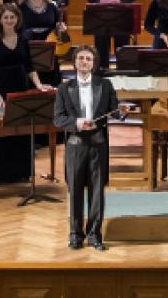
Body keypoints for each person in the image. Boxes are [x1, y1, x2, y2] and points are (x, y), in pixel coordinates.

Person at [54, 44, 118, 251]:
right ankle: (75, 235)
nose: (84, 62)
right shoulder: (64, 88)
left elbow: (114, 111)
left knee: (97, 192)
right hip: (75, 144)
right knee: (75, 191)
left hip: (98, 143)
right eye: (81, 58)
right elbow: (58, 118)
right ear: (74, 62)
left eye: (88, 59)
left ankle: (94, 236)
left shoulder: (105, 85)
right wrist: (76, 124)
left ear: (93, 63)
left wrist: (122, 111)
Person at [0, 2, 53, 183]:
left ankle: (22, 171)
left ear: (17, 19)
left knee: (21, 128)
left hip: (21, 87)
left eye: (12, 17)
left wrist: (38, 85)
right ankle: (0, 173)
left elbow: (30, 66)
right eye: (5, 17)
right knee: (3, 129)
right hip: (3, 90)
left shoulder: (23, 40)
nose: (9, 20)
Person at [18, 0, 66, 88]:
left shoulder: (52, 7)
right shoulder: (20, 9)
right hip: (28, 54)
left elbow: (57, 32)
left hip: (49, 54)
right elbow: (18, 32)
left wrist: (61, 30)